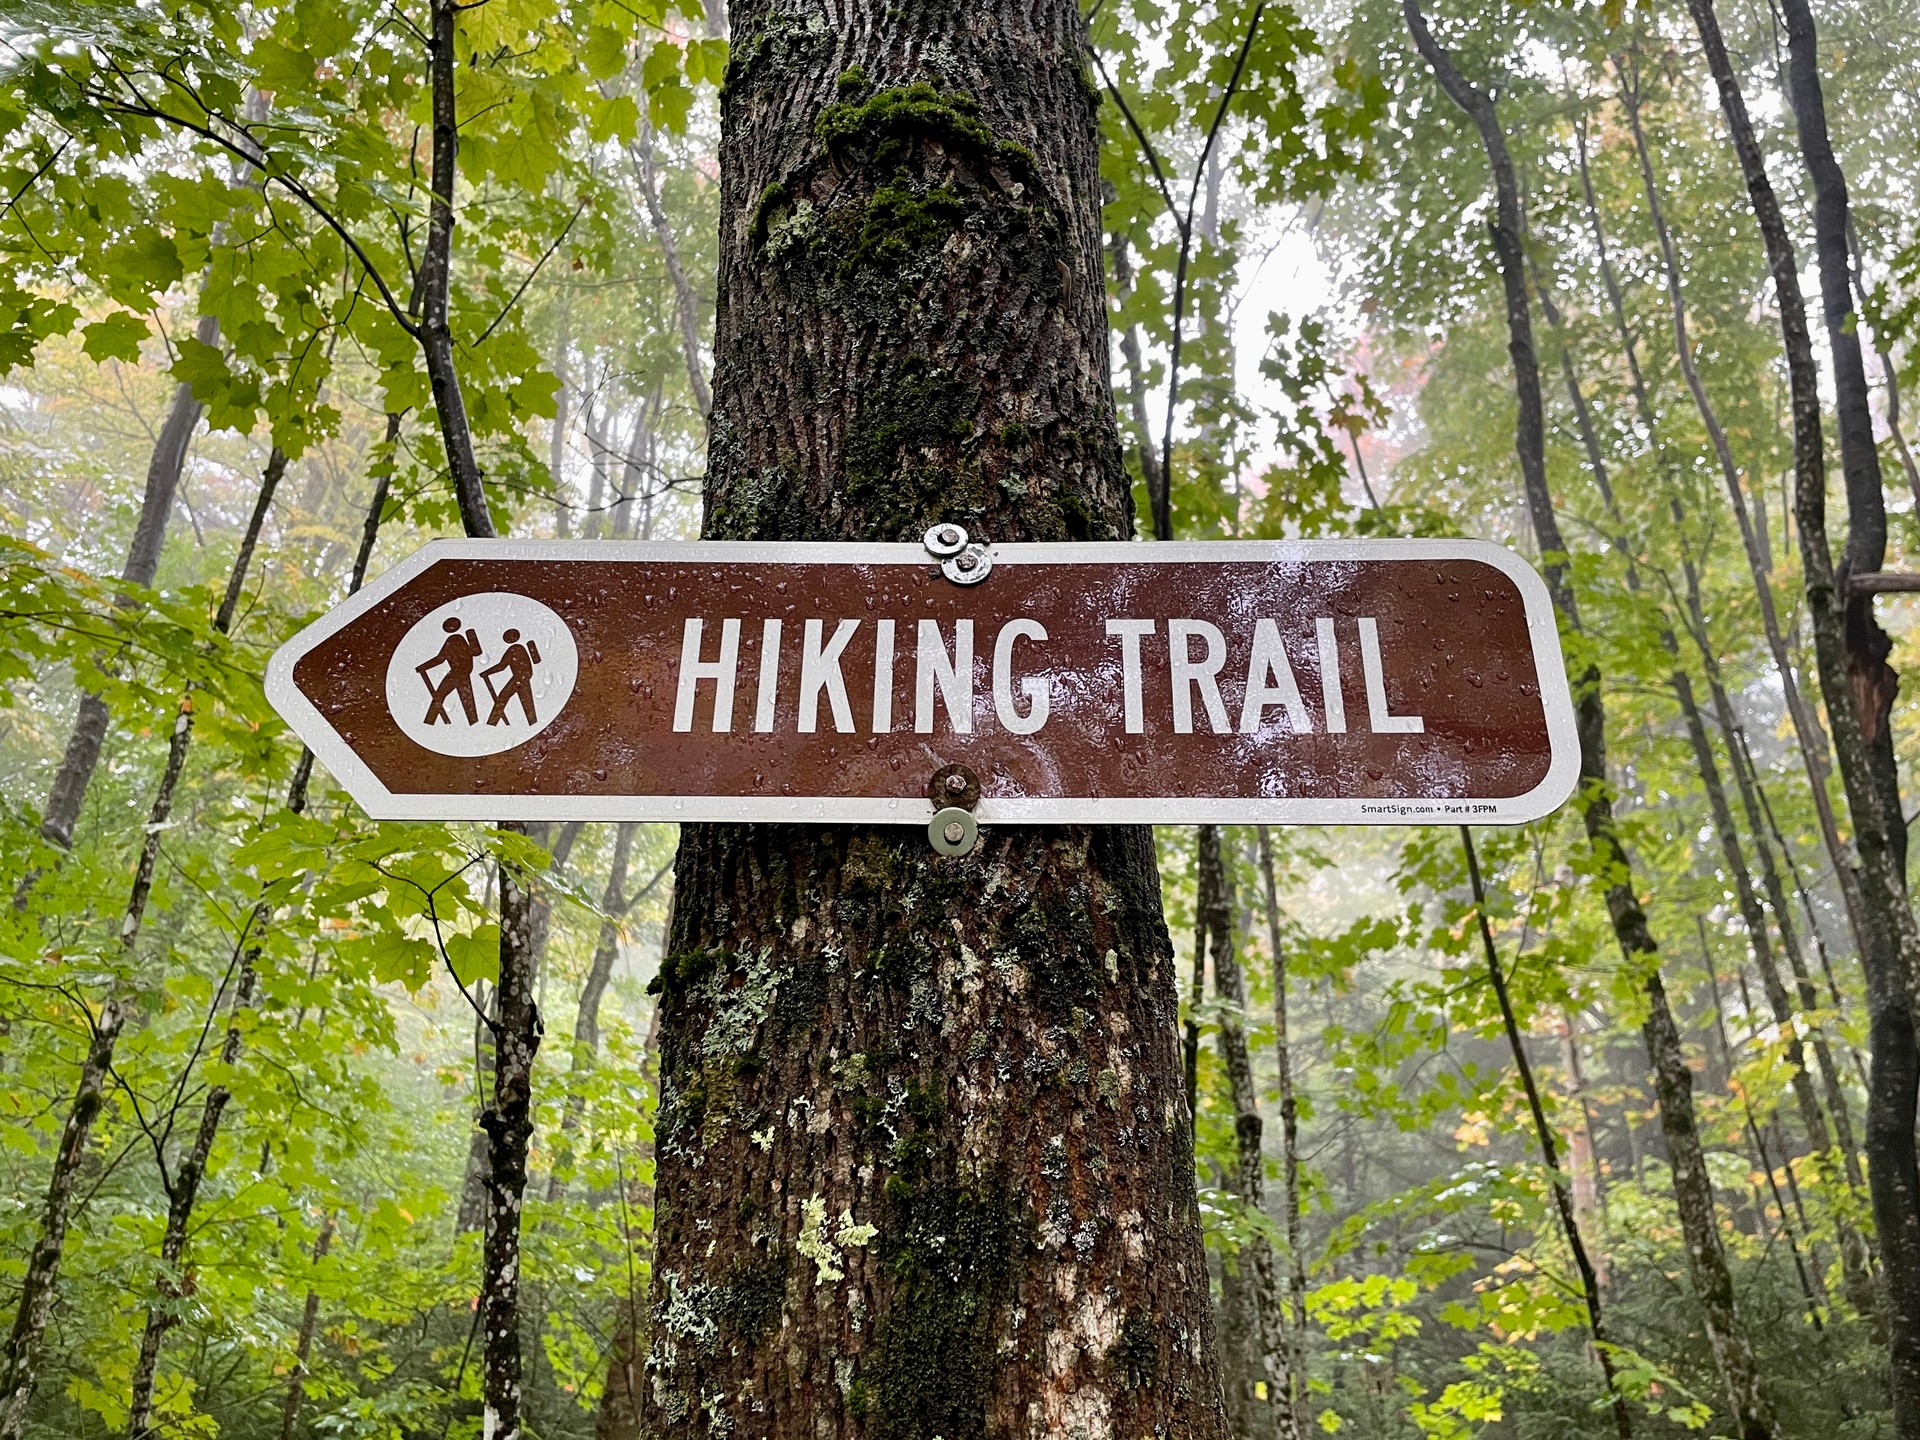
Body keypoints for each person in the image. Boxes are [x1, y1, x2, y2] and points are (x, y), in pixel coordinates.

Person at [417, 616, 483, 725]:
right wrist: (423, 667)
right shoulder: (454, 639)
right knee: (466, 699)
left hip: (458, 672)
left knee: (442, 695)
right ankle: (473, 722)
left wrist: (423, 667)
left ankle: (429, 722)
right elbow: (441, 658)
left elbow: (441, 658)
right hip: (461, 672)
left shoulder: (455, 639)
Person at [481, 627, 543, 727]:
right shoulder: (520, 648)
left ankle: (492, 723)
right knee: (527, 701)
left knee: (502, 697)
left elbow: (502, 666)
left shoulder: (514, 649)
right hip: (524, 677)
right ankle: (533, 723)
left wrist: (486, 673)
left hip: (519, 677)